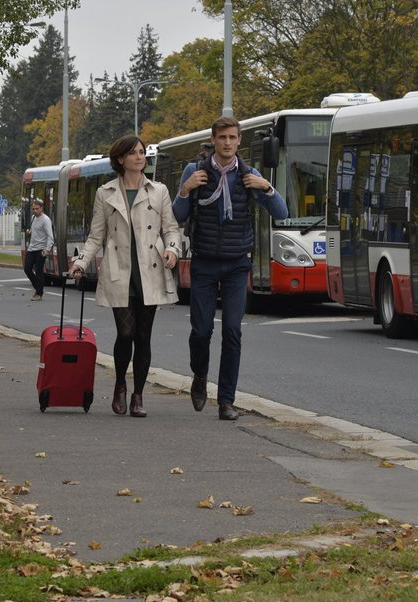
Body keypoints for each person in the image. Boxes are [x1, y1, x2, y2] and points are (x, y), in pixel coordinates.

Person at [172, 116, 289, 420]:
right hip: (205, 261)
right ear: (213, 140)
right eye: (222, 137)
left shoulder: (248, 174)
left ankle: (226, 400)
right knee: (201, 330)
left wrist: (266, 186)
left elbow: (283, 213)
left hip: (238, 263)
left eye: (232, 138)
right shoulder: (194, 171)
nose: (227, 143)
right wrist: (185, 190)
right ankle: (200, 376)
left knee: (233, 331)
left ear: (239, 141)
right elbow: (177, 215)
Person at [71, 134, 181, 417]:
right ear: (120, 159)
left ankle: (138, 396)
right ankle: (120, 384)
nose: (140, 157)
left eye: (142, 152)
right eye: (133, 153)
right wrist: (81, 262)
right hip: (120, 271)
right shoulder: (105, 193)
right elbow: (96, 235)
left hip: (151, 271)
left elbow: (170, 229)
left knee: (143, 337)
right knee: (126, 333)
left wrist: (171, 250)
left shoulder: (159, 191)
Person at [24, 199, 54, 301]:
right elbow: (35, 230)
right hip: (32, 248)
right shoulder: (33, 218)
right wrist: (30, 231)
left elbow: (50, 236)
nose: (35, 211)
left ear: (41, 208)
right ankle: (39, 287)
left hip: (41, 249)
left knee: (38, 271)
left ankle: (38, 292)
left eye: (37, 209)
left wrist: (47, 249)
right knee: (27, 269)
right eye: (33, 209)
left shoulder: (46, 220)